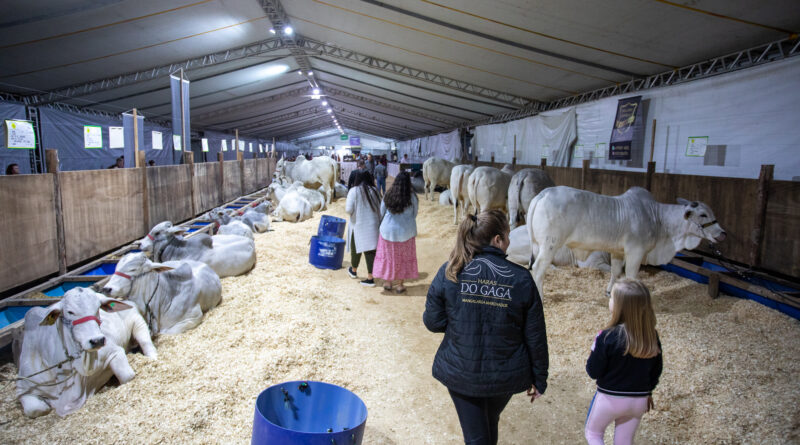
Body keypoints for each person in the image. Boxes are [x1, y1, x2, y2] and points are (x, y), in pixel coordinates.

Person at [423, 210, 549, 445]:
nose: (509, 241)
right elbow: (535, 335)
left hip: (461, 371)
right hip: (505, 374)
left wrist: (460, 324)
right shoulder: (521, 278)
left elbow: (433, 322)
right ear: (497, 240)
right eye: (508, 236)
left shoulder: (450, 271)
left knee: (479, 435)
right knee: (487, 424)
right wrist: (539, 377)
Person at [585, 279, 662, 445]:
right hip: (639, 400)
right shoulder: (652, 336)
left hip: (610, 399)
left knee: (593, 434)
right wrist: (648, 392)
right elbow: (656, 370)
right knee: (624, 442)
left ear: (620, 306)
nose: (609, 300)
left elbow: (593, 371)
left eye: (612, 297)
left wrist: (594, 349)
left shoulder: (606, 336)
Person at [373, 171, 418, 293]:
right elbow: (414, 214)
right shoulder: (412, 197)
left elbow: (382, 212)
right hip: (406, 232)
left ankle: (388, 282)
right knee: (403, 258)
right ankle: (400, 285)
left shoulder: (388, 194)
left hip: (388, 232)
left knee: (388, 257)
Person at [345, 170, 381, 287]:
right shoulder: (375, 190)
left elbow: (348, 210)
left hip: (358, 225)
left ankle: (353, 270)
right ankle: (370, 277)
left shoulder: (354, 191)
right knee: (371, 251)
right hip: (373, 225)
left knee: (356, 248)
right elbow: (381, 208)